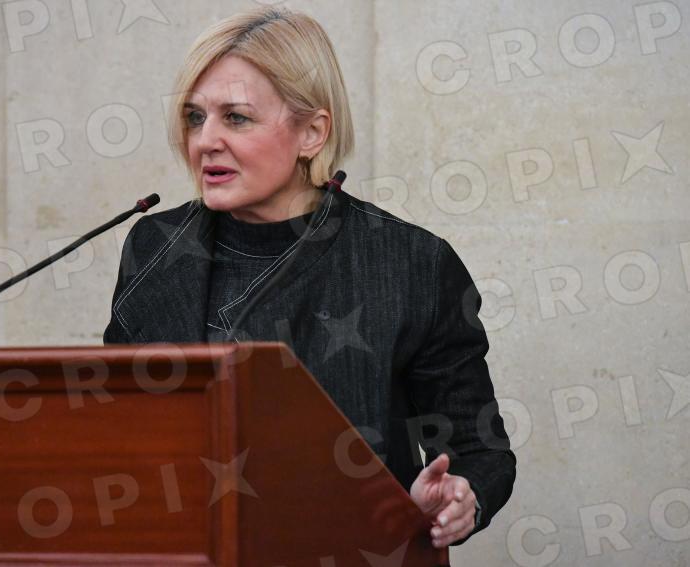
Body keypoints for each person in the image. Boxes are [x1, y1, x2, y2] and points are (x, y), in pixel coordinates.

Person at [104, 6, 515, 549]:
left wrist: (461, 495)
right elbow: (115, 426)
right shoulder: (155, 245)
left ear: (312, 133)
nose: (205, 141)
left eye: (237, 118)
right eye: (195, 117)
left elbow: (479, 452)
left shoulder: (410, 262)